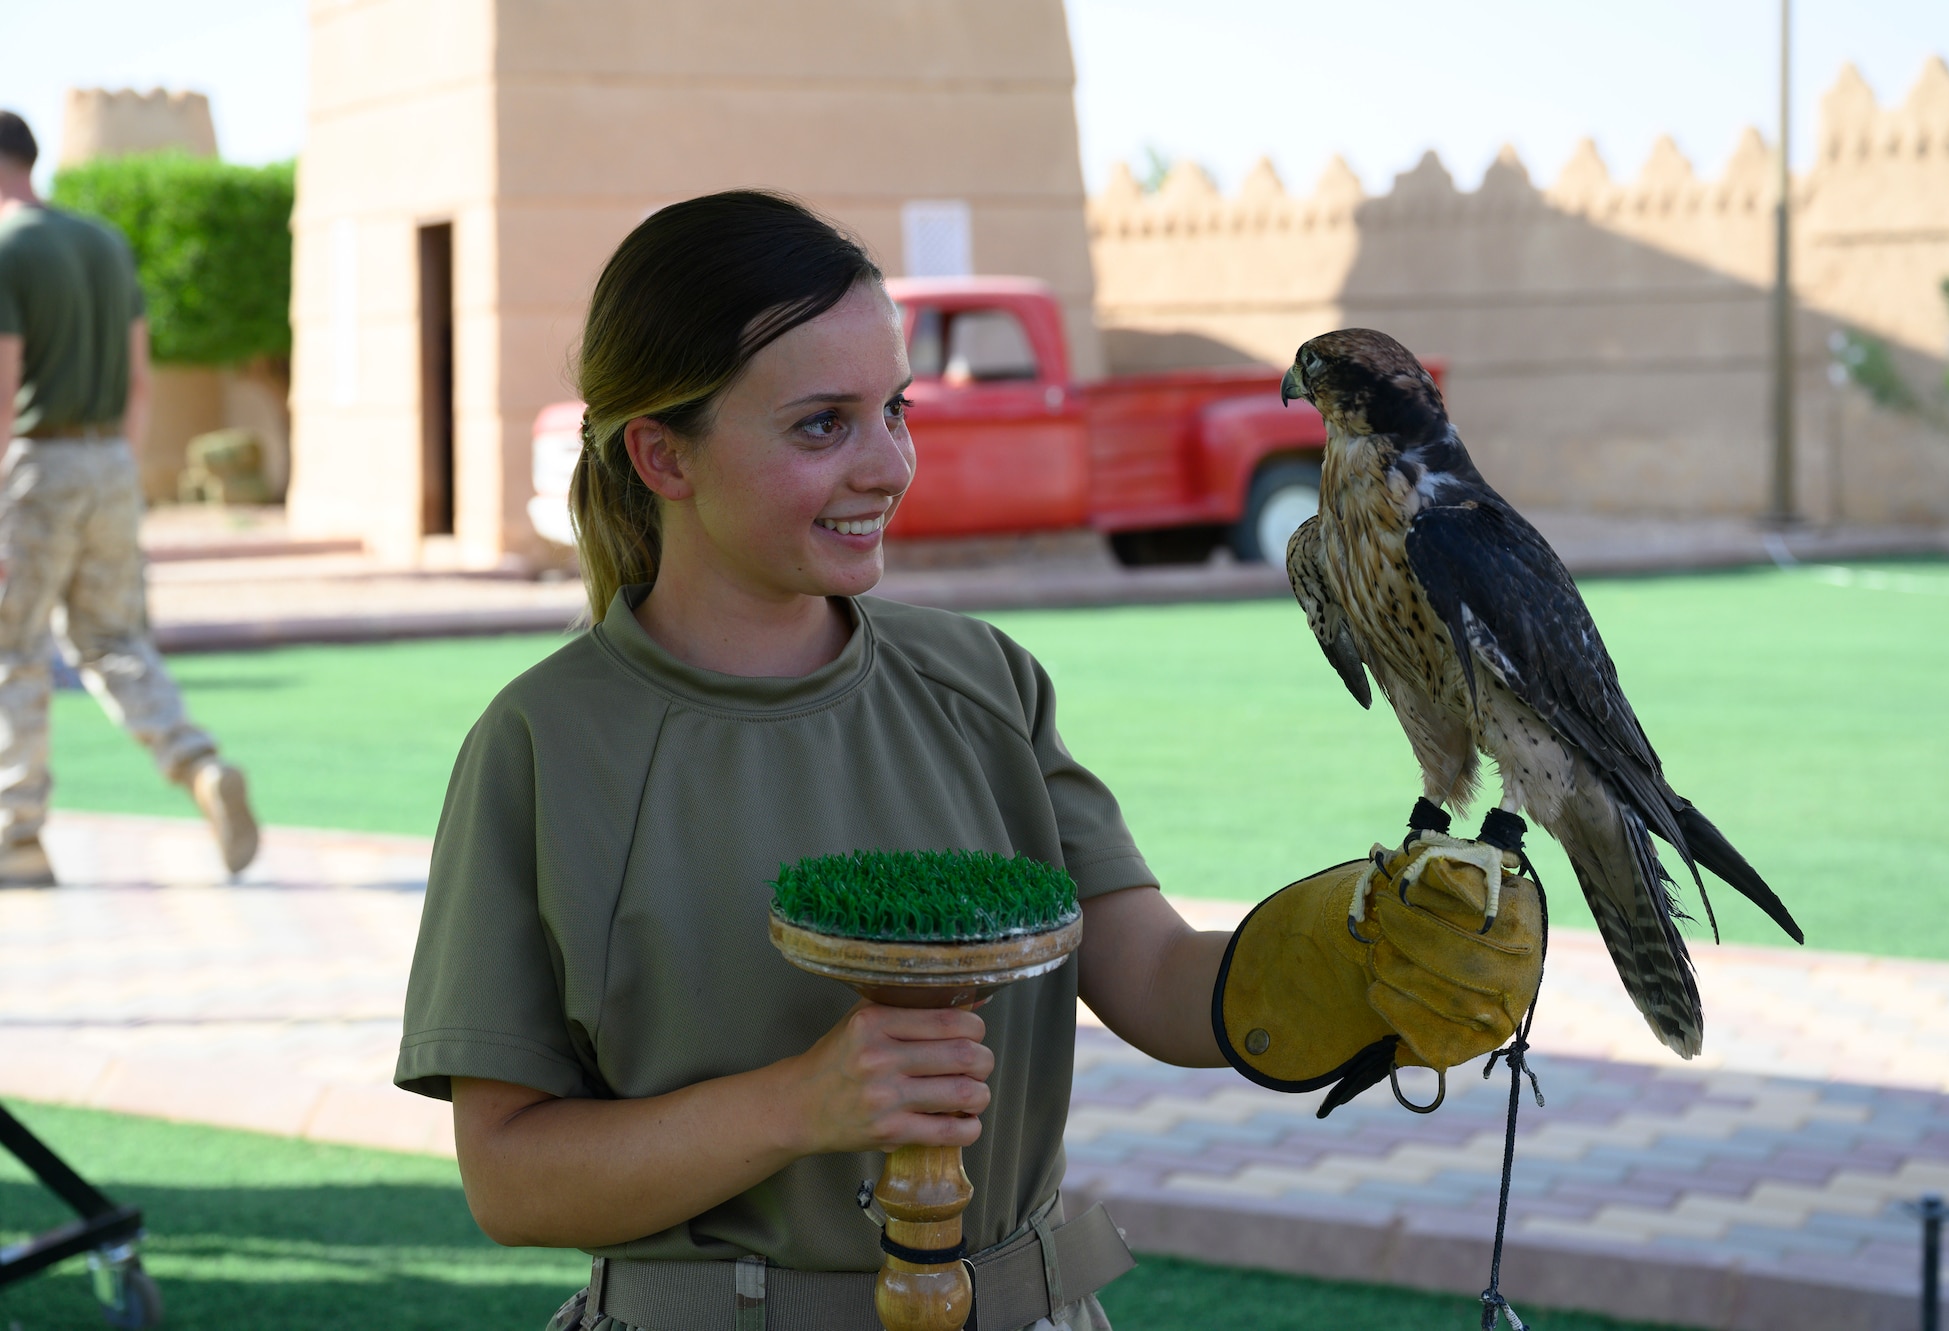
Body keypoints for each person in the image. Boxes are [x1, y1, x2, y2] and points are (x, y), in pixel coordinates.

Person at [396, 191, 1539, 1331]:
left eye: (892, 409)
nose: (887, 465)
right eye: (819, 425)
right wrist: (801, 1101)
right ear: (661, 454)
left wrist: (1363, 959)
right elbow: (510, 1175)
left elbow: (1154, 979)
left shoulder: (982, 683)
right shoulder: (545, 743)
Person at [0, 111, 258, 884]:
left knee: (12, 649)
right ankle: (199, 764)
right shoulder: (107, 244)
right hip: (111, 460)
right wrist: (118, 465)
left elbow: (3, 386)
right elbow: (141, 380)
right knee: (113, 639)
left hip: (36, 466)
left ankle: (17, 835)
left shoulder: (7, 249)